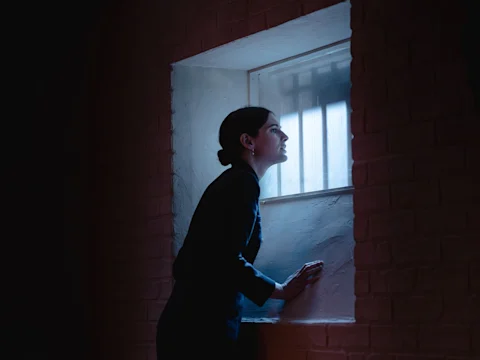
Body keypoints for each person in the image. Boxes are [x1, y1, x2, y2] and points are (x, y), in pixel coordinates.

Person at [156, 106, 324, 359]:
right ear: (248, 141)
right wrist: (280, 290)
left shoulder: (237, 182)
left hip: (194, 322)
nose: (285, 137)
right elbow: (224, 257)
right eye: (274, 129)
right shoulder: (242, 183)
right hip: (199, 328)